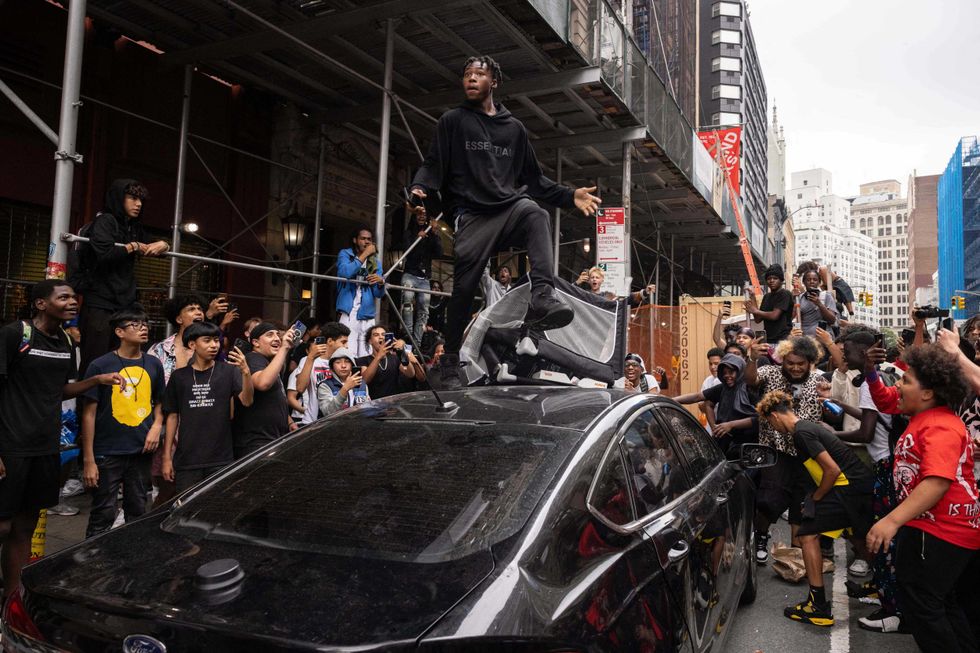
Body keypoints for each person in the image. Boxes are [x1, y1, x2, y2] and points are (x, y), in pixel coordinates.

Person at [409, 54, 601, 389]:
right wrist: (418, 187)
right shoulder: (452, 121)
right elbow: (433, 163)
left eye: (479, 74)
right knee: (464, 289)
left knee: (535, 213)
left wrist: (570, 196)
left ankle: (542, 295)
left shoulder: (514, 129)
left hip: (507, 207)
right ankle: (451, 359)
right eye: (466, 73)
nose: (471, 78)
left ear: (493, 82)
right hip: (471, 214)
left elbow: (536, 182)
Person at [0, 280, 125, 598]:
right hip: (11, 444)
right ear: (41, 303)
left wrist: (95, 380)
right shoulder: (16, 334)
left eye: (74, 297)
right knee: (2, 526)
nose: (73, 302)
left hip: (44, 446)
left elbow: (61, 390)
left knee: (25, 525)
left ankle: (12, 598)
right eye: (64, 297)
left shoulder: (67, 343)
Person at [864, 344, 980, 652]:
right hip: (934, 528)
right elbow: (886, 399)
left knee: (922, 607)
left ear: (928, 393)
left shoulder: (941, 425)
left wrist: (891, 521)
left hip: (941, 531)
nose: (898, 385)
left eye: (906, 380)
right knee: (940, 603)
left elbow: (937, 482)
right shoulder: (925, 417)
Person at [757, 390, 874, 627]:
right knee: (858, 534)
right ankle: (880, 587)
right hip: (858, 486)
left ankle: (818, 606)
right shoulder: (805, 428)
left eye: (769, 423)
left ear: (775, 416)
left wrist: (816, 499)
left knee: (808, 535)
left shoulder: (802, 433)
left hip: (848, 486)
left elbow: (832, 471)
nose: (772, 427)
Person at [78, 309, 165, 536]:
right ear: (119, 332)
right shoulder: (100, 365)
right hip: (108, 450)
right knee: (103, 513)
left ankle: (131, 562)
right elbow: (88, 413)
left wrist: (157, 427)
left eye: (145, 323)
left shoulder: (154, 363)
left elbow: (160, 402)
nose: (143, 327)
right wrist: (88, 459)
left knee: (137, 510)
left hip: (141, 449)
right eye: (135, 324)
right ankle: (93, 566)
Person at [74, 179, 169, 374]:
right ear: (119, 199)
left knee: (121, 360)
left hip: (123, 304)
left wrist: (163, 244)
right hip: (100, 304)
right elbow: (104, 254)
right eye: (133, 198)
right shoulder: (105, 221)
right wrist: (132, 247)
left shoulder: (133, 227)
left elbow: (154, 245)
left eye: (141, 199)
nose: (139, 204)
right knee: (96, 362)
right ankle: (89, 404)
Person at [745, 335, 827, 563]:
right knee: (770, 500)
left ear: (810, 362)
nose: (795, 367)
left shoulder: (819, 382)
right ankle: (760, 535)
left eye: (801, 363)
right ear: (782, 360)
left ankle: (796, 553)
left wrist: (828, 399)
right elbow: (751, 380)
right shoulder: (770, 373)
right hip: (775, 450)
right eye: (790, 363)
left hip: (806, 454)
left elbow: (827, 414)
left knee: (800, 504)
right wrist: (751, 359)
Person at [161, 322, 252, 493]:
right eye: (207, 340)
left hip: (220, 458)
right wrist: (167, 457)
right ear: (192, 344)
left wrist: (246, 373)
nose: (214, 345)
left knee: (215, 510)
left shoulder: (228, 371)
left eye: (216, 341)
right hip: (187, 459)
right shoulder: (179, 377)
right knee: (185, 511)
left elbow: (246, 401)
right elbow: (172, 416)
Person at [146, 294, 206, 506]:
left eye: (200, 309)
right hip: (165, 426)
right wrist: (157, 423)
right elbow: (150, 392)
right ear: (179, 319)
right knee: (165, 485)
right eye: (191, 309)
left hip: (197, 427)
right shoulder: (159, 350)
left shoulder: (208, 350)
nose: (198, 312)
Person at [232, 322, 296, 459]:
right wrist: (284, 348)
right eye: (269, 335)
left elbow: (275, 398)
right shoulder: (253, 358)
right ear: (255, 342)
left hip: (270, 439)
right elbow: (263, 383)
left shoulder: (268, 362)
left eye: (278, 335)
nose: (277, 338)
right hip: (255, 443)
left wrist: (289, 422)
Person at [675, 353, 759, 456]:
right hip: (725, 444)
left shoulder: (750, 389)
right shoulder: (722, 388)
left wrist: (731, 425)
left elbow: (758, 419)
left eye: (731, 372)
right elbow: (697, 397)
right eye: (724, 373)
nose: (727, 376)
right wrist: (671, 400)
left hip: (748, 446)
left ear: (740, 370)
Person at [286, 322, 349, 427]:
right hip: (312, 422)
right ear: (330, 341)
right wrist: (310, 358)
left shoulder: (346, 363)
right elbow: (300, 388)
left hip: (338, 421)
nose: (346, 346)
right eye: (343, 342)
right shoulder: (308, 360)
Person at [336, 226, 385, 358]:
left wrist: (380, 283)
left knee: (367, 354)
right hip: (349, 311)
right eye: (363, 239)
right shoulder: (345, 254)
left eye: (369, 239)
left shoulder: (375, 262)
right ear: (355, 240)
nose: (367, 242)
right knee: (346, 352)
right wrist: (364, 255)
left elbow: (378, 294)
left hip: (367, 312)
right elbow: (345, 272)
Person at [401, 209, 443, 345]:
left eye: (424, 215)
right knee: (407, 302)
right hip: (410, 274)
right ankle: (408, 335)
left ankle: (417, 341)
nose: (422, 217)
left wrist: (435, 233)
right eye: (419, 214)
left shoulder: (430, 234)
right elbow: (407, 248)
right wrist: (417, 238)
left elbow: (439, 252)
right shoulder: (409, 232)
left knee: (424, 310)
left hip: (424, 278)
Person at [357, 325, 421, 400]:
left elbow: (411, 374)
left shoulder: (395, 358)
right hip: (373, 405)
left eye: (383, 335)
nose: (381, 337)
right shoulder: (362, 360)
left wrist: (401, 352)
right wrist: (379, 356)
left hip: (393, 405)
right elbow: (365, 380)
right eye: (376, 335)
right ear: (370, 341)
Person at [745, 265, 794, 344]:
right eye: (769, 279)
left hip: (783, 340)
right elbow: (758, 319)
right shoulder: (766, 297)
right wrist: (753, 298)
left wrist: (754, 310)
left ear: (781, 280)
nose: (771, 281)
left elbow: (774, 316)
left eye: (775, 278)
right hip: (768, 339)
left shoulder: (785, 294)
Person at [317, 348, 369, 417]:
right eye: (338, 362)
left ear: (352, 364)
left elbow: (368, 409)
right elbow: (328, 412)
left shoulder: (361, 384)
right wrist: (345, 389)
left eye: (347, 362)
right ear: (332, 367)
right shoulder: (325, 386)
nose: (343, 366)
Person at [796, 268, 838, 337]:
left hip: (822, 339)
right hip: (806, 340)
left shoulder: (827, 296)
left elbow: (832, 320)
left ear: (819, 282)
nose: (812, 282)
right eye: (808, 280)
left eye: (815, 280)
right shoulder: (800, 298)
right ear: (804, 282)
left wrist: (819, 304)